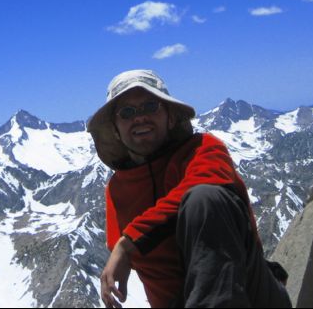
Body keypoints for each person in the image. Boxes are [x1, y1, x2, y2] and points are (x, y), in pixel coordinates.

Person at [87, 69, 291, 308]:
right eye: (127, 112)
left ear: (170, 117)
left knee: (204, 198)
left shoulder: (204, 148)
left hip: (250, 292)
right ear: (115, 130)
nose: (139, 118)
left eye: (151, 106)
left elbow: (207, 182)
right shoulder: (116, 191)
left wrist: (129, 241)